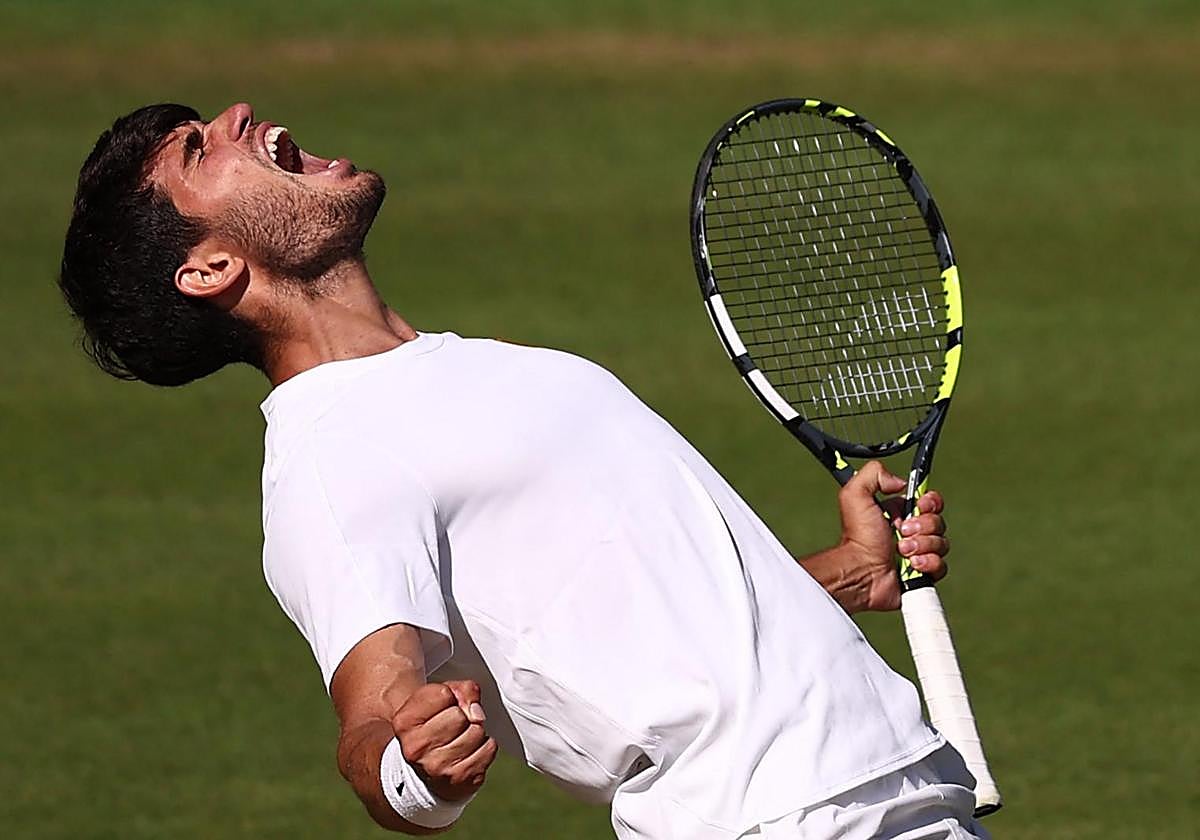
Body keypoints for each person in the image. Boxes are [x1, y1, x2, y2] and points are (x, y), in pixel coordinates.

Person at [59, 102, 987, 839]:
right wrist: (410, 771)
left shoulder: (471, 366)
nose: (237, 113)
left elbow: (638, 619)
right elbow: (374, 714)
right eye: (198, 148)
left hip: (875, 793)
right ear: (211, 267)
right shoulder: (330, 458)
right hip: (782, 819)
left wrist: (844, 572)